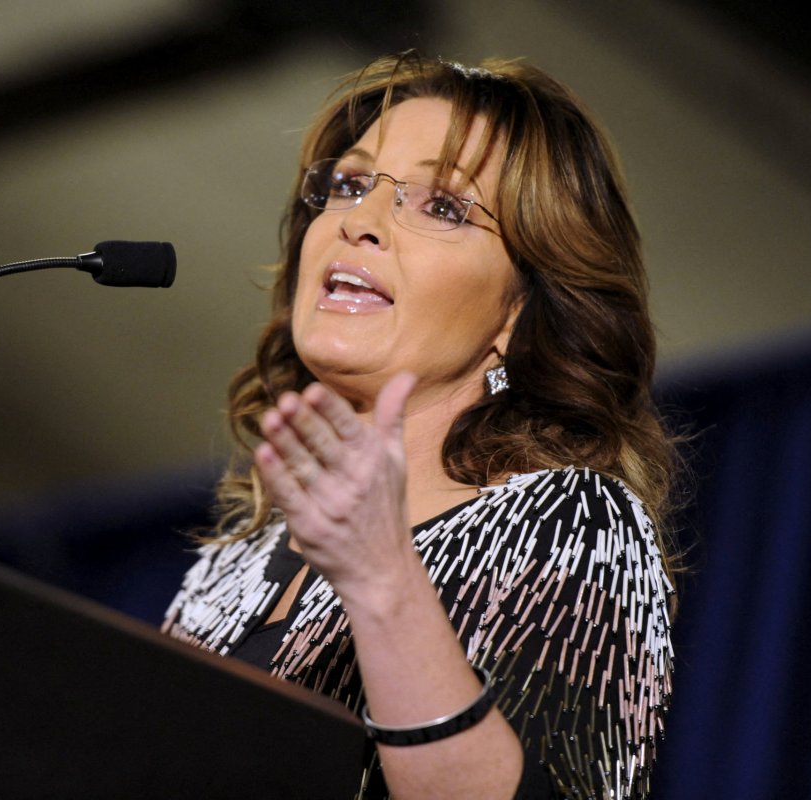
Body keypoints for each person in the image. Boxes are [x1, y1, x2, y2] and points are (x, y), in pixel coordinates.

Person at [162, 50, 681, 800]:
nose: (360, 222)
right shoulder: (233, 565)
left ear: (519, 312)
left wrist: (381, 579)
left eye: (441, 206)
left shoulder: (571, 527)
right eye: (347, 185)